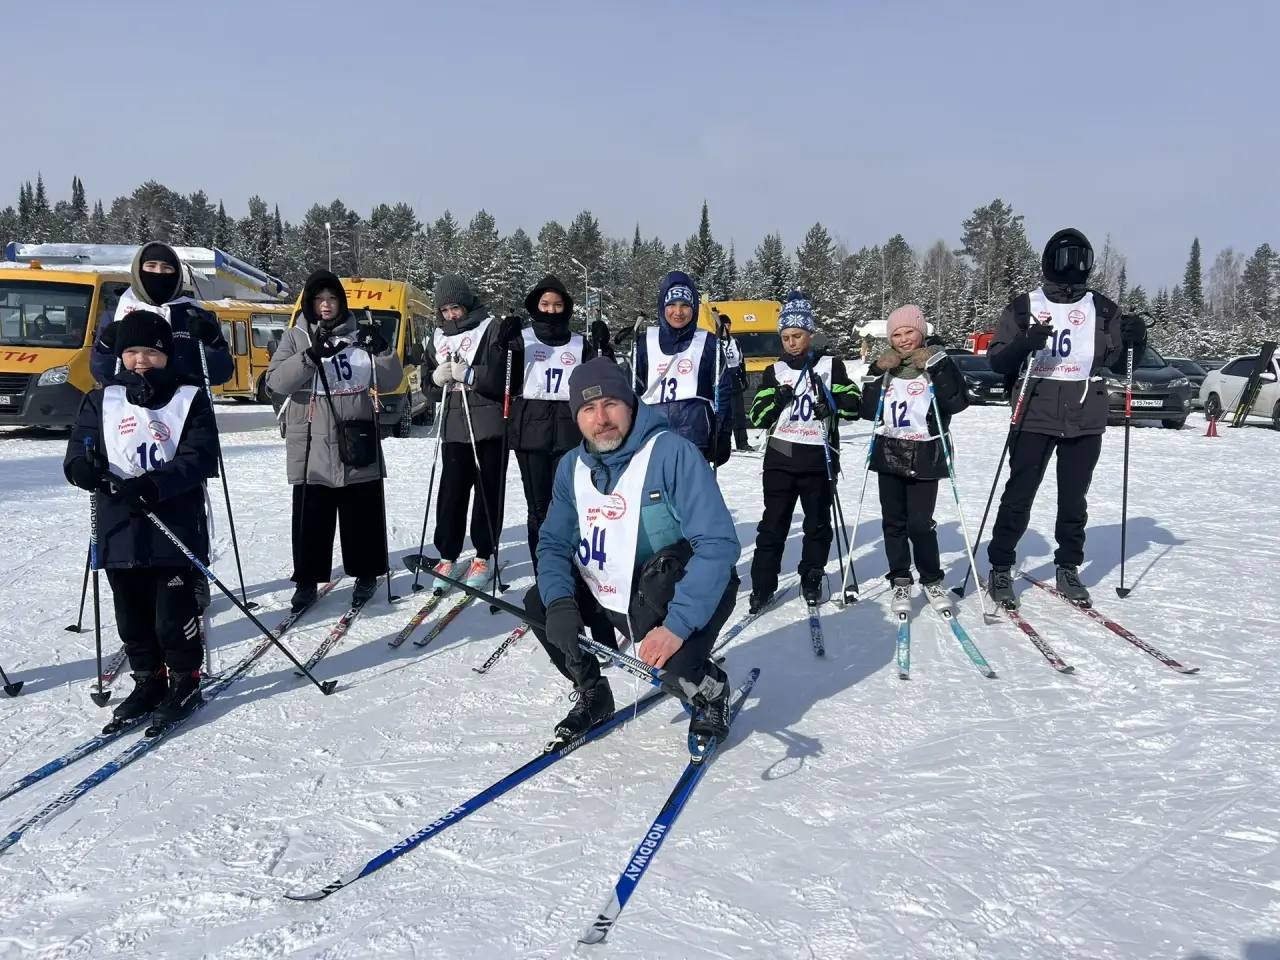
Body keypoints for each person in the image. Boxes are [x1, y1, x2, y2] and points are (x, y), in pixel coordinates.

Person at [527, 358, 741, 751]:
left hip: (677, 590)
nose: (601, 418)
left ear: (631, 403)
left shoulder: (672, 453)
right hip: (615, 589)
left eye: (611, 404)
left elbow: (717, 545)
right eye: (588, 409)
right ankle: (593, 691)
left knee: (676, 667)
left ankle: (712, 690)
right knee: (539, 602)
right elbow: (554, 543)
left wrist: (676, 626)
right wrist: (559, 603)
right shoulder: (571, 467)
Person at [63, 310, 220, 730]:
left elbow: (200, 457)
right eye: (131, 352)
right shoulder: (102, 398)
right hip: (118, 525)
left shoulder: (189, 398)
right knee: (131, 616)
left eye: (150, 352)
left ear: (166, 354)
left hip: (172, 522)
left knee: (171, 614)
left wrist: (155, 484)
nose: (140, 361)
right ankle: (148, 679)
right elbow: (80, 445)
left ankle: (185, 678)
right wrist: (80, 467)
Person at [984, 229, 1145, 609]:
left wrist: (1137, 340)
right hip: (1034, 411)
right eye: (1063, 258)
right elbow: (996, 361)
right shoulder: (1024, 306)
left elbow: (1119, 362)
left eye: (1078, 259)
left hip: (1084, 414)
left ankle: (1068, 565)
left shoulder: (1102, 309)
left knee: (1074, 500)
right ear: (1048, 262)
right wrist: (1025, 342)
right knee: (1019, 495)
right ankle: (1001, 565)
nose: (1070, 266)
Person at [266, 270, 403, 610]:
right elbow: (276, 382)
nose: (325, 306)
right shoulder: (296, 335)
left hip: (355, 433)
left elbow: (390, 380)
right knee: (312, 514)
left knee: (362, 510)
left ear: (342, 301)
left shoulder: (360, 334)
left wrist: (383, 349)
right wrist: (309, 357)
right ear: (311, 304)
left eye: (331, 299)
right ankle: (308, 580)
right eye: (319, 300)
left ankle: (367, 572)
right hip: (311, 437)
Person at [746, 290, 861, 611]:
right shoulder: (774, 370)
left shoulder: (830, 365)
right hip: (781, 458)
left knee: (817, 524)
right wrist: (774, 401)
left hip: (819, 459)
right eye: (785, 337)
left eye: (797, 335)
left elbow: (854, 406)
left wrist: (831, 404)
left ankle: (811, 575)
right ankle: (763, 584)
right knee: (773, 524)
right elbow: (756, 416)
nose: (791, 342)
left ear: (809, 333)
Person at [862, 305, 969, 614]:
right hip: (889, 452)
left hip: (925, 453)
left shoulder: (937, 361)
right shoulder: (887, 367)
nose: (904, 339)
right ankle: (900, 580)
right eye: (897, 334)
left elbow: (958, 402)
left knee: (920, 524)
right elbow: (868, 412)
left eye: (909, 331)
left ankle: (932, 579)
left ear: (921, 332)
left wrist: (936, 365)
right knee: (893, 523)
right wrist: (875, 371)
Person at [503, 274, 611, 570]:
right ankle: (545, 574)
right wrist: (502, 346)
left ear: (566, 307)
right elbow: (499, 381)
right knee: (538, 509)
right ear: (535, 305)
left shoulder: (579, 343)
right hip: (530, 437)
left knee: (569, 507)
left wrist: (606, 347)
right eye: (545, 303)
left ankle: (571, 568)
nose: (551, 309)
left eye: (557, 304)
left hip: (570, 436)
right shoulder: (521, 340)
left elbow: (604, 379)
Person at [422, 273, 510, 591]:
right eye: (444, 310)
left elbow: (503, 375)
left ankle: (483, 554)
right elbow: (425, 385)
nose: (451, 315)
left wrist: (471, 373)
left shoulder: (490, 328)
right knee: (451, 493)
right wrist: (435, 378)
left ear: (466, 304)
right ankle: (447, 554)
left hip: (488, 425)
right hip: (454, 426)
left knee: (488, 491)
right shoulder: (437, 337)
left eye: (455, 308)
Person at [91, 241, 231, 386]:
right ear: (138, 270)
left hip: (184, 403)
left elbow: (220, 375)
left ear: (177, 274)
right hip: (132, 403)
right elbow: (102, 374)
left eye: (167, 268)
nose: (159, 273)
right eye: (151, 266)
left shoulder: (195, 315)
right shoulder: (117, 313)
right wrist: (105, 346)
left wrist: (213, 344)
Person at [632, 271, 732, 465]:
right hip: (652, 437)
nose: (678, 312)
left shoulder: (709, 342)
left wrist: (723, 433)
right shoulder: (645, 343)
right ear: (663, 307)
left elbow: (723, 390)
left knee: (692, 494)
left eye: (685, 305)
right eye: (672, 305)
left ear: (693, 308)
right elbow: (631, 391)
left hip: (695, 437)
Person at [718, 313, 754, 452]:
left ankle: (742, 442)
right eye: (724, 326)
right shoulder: (715, 342)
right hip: (721, 379)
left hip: (734, 378)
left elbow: (741, 361)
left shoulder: (735, 342)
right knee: (723, 413)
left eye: (728, 325)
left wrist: (743, 377)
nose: (727, 328)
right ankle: (722, 443)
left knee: (739, 413)